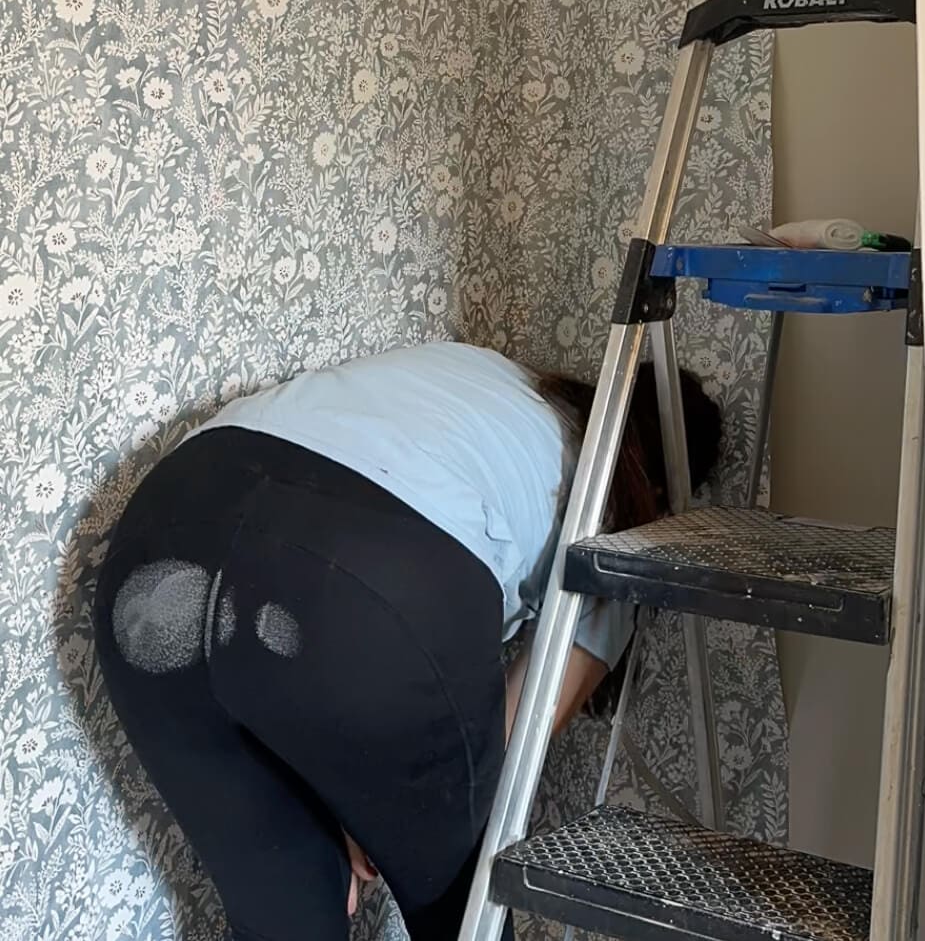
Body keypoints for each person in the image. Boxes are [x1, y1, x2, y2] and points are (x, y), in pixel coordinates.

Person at [94, 340, 721, 941]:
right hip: (361, 585)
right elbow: (514, 737)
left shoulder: (481, 371)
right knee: (465, 918)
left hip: (163, 531)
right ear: (665, 491)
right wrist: (373, 800)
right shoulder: (616, 518)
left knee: (283, 925)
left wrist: (356, 781)